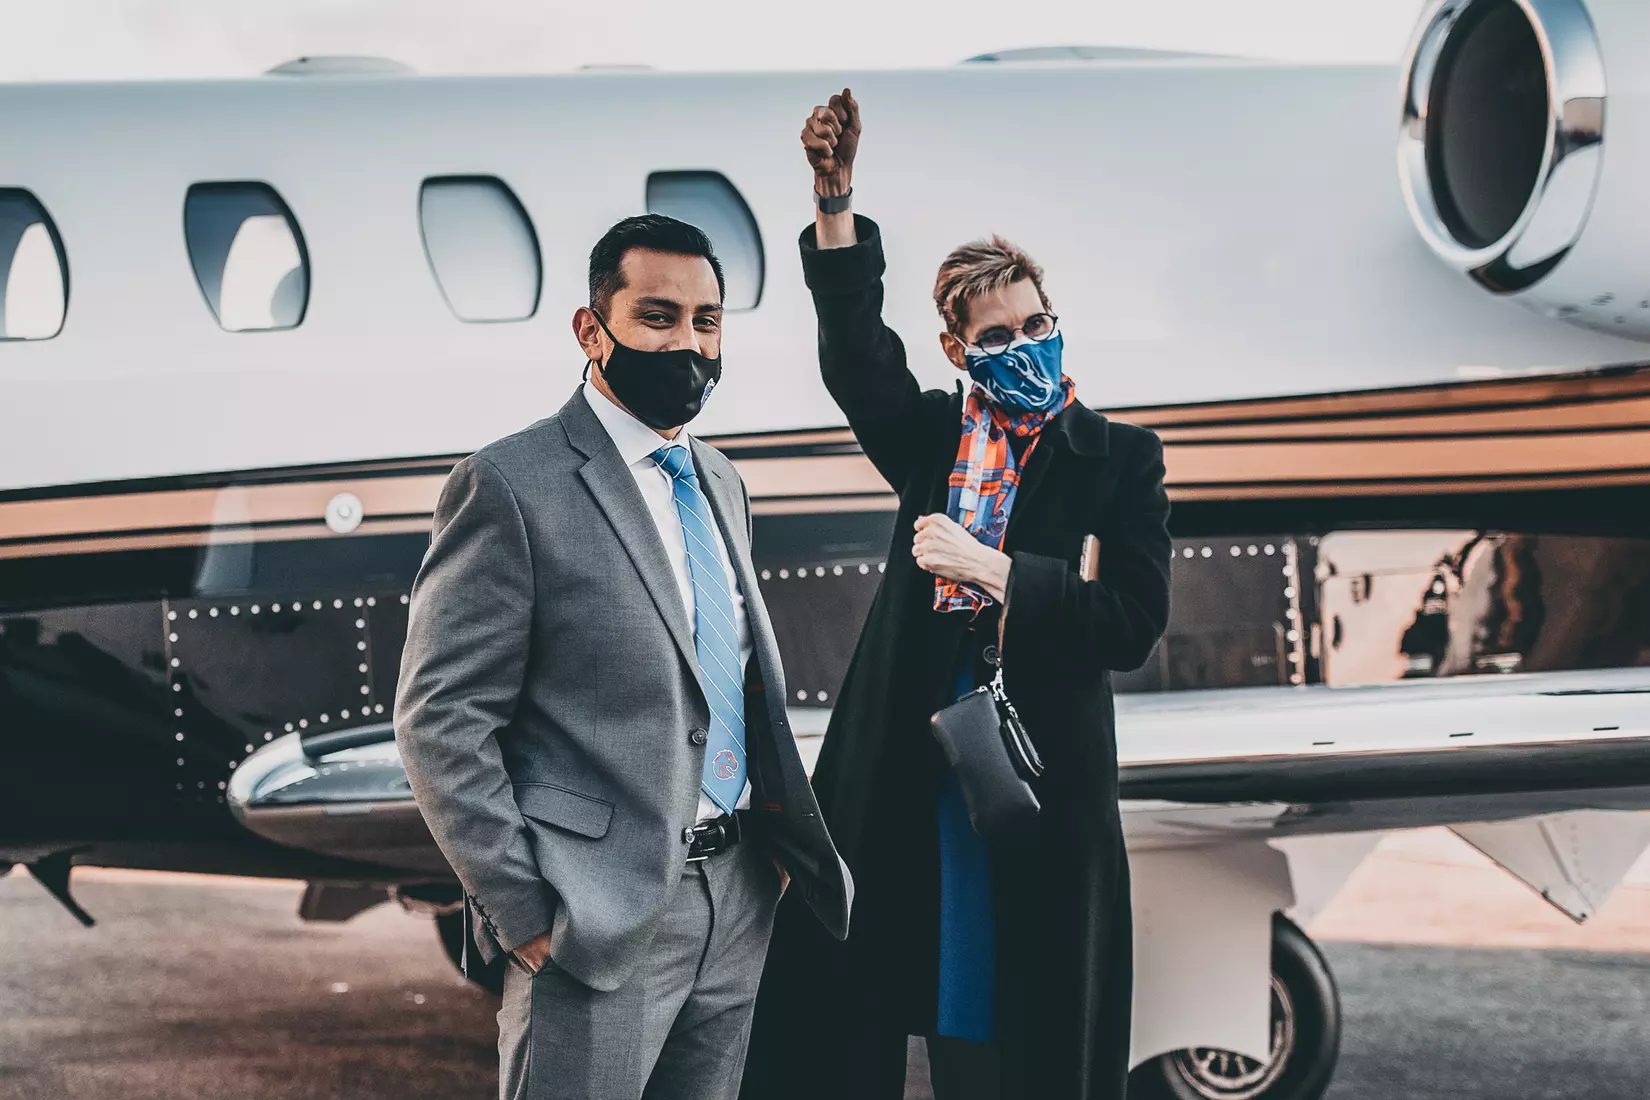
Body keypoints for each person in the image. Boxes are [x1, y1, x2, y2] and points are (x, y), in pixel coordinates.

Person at [741, 91, 1171, 1100]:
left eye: (1039, 322)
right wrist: (834, 200)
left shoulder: (1119, 458)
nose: (1028, 343)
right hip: (908, 767)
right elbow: (855, 357)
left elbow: (1134, 625)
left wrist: (1000, 571)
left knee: (1015, 1024)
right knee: (882, 1000)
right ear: (958, 349)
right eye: (1002, 332)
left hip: (1034, 782)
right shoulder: (934, 439)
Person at [395, 214, 852, 1100]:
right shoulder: (510, 484)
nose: (687, 343)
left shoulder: (719, 477)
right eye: (657, 317)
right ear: (590, 328)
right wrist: (522, 911)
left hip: (737, 895)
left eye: (706, 322)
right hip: (595, 917)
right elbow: (441, 719)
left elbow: (730, 678)